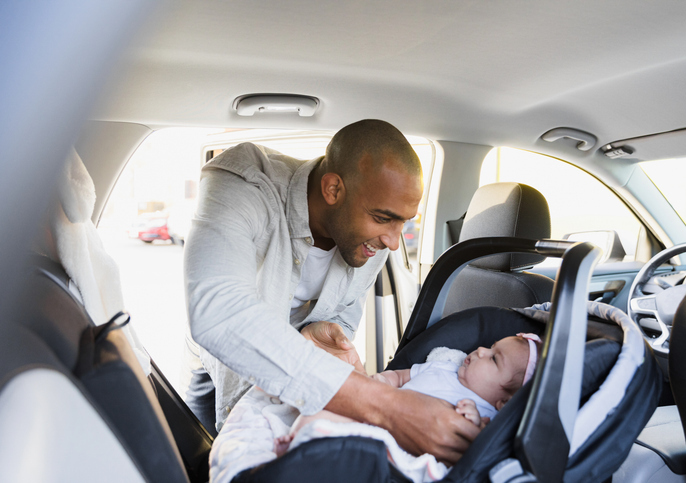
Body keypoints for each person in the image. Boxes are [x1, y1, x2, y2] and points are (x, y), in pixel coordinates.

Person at [184, 119, 480, 464]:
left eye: (404, 222)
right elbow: (218, 311)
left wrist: (321, 332)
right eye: (384, 218)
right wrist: (388, 407)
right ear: (333, 189)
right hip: (220, 360)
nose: (393, 242)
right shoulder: (245, 183)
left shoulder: (376, 240)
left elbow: (345, 313)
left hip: (297, 380)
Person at [273, 333, 542, 455]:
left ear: (504, 401)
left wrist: (474, 422)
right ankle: (298, 438)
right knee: (321, 409)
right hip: (373, 413)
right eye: (491, 346)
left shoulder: (486, 413)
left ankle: (308, 449)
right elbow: (401, 376)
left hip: (405, 445)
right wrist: (379, 381)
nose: (482, 350)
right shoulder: (446, 365)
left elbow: (475, 445)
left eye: (494, 359)